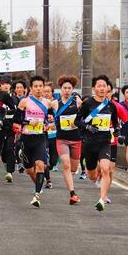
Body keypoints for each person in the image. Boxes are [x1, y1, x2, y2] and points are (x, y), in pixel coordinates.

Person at [75, 75, 120, 211]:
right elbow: (77, 121)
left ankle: (102, 198)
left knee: (106, 169)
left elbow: (115, 123)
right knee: (92, 175)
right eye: (99, 86)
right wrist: (88, 127)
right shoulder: (87, 104)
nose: (102, 88)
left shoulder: (111, 105)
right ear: (94, 88)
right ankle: (93, 176)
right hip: (89, 143)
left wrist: (117, 131)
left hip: (105, 142)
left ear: (107, 88)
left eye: (104, 86)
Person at [13, 76, 52, 208]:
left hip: (40, 138)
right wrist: (29, 122)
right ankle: (37, 184)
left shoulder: (48, 103)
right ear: (31, 88)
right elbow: (16, 121)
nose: (38, 89)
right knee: (29, 170)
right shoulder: (24, 102)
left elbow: (50, 119)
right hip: (26, 139)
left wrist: (49, 124)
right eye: (35, 86)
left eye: (40, 86)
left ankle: (36, 195)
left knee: (40, 164)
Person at [51, 75, 83, 205]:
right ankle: (72, 193)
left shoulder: (78, 103)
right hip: (62, 139)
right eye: (64, 88)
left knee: (73, 169)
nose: (67, 90)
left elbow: (85, 116)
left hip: (76, 139)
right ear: (60, 89)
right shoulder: (54, 103)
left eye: (69, 88)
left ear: (73, 89)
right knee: (66, 164)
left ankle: (76, 168)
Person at [42, 83, 57, 189]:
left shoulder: (57, 105)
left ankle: (47, 171)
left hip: (55, 136)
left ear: (52, 93)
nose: (46, 93)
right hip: (43, 135)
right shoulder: (39, 105)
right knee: (44, 159)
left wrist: (54, 122)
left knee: (52, 162)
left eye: (48, 91)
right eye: (44, 91)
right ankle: (48, 179)